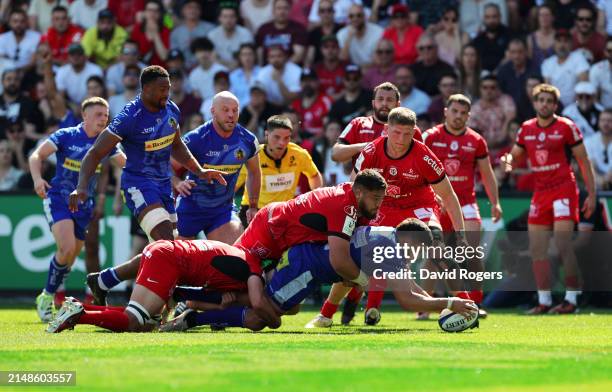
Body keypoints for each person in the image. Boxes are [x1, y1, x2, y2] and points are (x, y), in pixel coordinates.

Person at [71, 66, 226, 304]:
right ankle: (158, 301)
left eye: (169, 88)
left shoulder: (171, 110)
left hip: (164, 186)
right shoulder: (130, 117)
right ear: (146, 89)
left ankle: (104, 280)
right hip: (138, 185)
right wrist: (82, 187)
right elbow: (94, 153)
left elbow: (177, 147)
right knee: (166, 244)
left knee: (172, 250)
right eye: (162, 89)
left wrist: (200, 171)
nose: (167, 94)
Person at [164, 220, 479, 332]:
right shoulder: (391, 248)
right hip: (306, 267)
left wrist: (449, 302)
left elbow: (407, 285)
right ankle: (192, 312)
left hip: (309, 264)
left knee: (283, 308)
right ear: (410, 241)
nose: (415, 256)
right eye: (417, 250)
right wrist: (450, 302)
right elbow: (409, 299)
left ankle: (188, 298)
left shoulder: (388, 236)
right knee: (260, 317)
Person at [308, 107, 467, 327]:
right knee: (361, 256)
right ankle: (327, 314)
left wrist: (461, 235)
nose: (401, 140)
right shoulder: (371, 151)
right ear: (386, 129)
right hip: (384, 207)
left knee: (437, 247)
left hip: (419, 206)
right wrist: (351, 225)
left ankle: (468, 307)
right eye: (396, 133)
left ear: (414, 132)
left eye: (407, 133)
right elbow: (353, 191)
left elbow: (448, 196)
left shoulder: (423, 155)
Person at [502, 83, 596, 314]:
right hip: (541, 192)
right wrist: (506, 162)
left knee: (563, 243)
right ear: (534, 103)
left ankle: (571, 300)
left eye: (548, 101)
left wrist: (592, 195)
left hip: (564, 188)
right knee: (537, 249)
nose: (544, 104)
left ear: (555, 105)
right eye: (540, 100)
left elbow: (583, 160)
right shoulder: (526, 129)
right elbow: (514, 155)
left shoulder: (566, 127)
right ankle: (544, 301)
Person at [29, 97, 126, 322]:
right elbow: (37, 155)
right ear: (85, 116)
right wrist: (37, 179)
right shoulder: (66, 136)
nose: (104, 119)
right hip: (59, 200)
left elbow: (125, 162)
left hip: (84, 206)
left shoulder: (107, 142)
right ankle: (47, 296)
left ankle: (52, 292)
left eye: (106, 115)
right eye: (98, 115)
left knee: (70, 256)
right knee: (67, 247)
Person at [46, 240, 278, 333]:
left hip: (163, 253)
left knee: (147, 323)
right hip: (168, 260)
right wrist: (275, 322)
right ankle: (81, 315)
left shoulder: (238, 258)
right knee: (134, 321)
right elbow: (257, 303)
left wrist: (217, 307)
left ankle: (79, 306)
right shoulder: (253, 268)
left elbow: (187, 296)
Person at [423, 94, 502, 314]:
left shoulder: (476, 140)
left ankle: (475, 304)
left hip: (466, 202)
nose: (458, 116)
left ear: (469, 116)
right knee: (434, 256)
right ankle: (424, 305)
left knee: (472, 251)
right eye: (454, 111)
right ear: (445, 112)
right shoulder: (429, 136)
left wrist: (495, 203)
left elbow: (487, 174)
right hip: (437, 203)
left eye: (463, 113)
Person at [173, 91, 261, 244]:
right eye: (225, 110)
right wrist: (176, 182)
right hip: (190, 208)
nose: (231, 115)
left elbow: (254, 172)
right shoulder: (196, 138)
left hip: (222, 210)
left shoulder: (248, 140)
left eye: (235, 110)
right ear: (213, 111)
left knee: (234, 259)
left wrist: (253, 206)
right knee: (178, 264)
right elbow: (164, 164)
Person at [235, 115, 323, 228]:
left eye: (287, 138)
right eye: (276, 137)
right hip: (253, 211)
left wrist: (315, 199)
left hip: (284, 212)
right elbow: (234, 185)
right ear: (266, 134)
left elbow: (314, 176)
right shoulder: (253, 156)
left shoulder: (299, 154)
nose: (282, 142)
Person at [331, 82, 422, 165]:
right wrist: (364, 147)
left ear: (398, 104)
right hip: (362, 181)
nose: (384, 103)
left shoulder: (409, 129)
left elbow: (421, 161)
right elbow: (335, 154)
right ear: (373, 103)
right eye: (380, 99)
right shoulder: (358, 124)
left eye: (389, 100)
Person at [541, 29, 590, 108]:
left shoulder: (579, 58)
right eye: (559, 41)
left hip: (576, 107)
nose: (562, 45)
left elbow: (583, 85)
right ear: (554, 44)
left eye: (565, 41)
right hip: (555, 107)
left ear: (571, 44)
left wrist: (576, 106)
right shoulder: (547, 63)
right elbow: (547, 89)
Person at [255, 0, 308, 65]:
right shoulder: (263, 29)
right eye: (279, 8)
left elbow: (298, 55)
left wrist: (281, 68)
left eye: (285, 8)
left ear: (290, 10)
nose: (282, 12)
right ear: (273, 11)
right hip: (267, 68)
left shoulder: (298, 29)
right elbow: (259, 53)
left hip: (290, 68)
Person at [170, 0, 214, 69]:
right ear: (183, 10)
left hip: (206, 67)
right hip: (183, 71)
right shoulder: (176, 32)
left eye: (196, 8)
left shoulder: (210, 29)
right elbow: (174, 55)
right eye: (189, 7)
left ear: (200, 11)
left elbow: (213, 52)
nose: (193, 10)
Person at [207, 4, 254, 69]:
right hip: (218, 70)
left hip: (241, 69)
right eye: (225, 16)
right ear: (219, 18)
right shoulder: (212, 35)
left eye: (232, 16)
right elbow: (212, 58)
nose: (228, 20)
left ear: (236, 18)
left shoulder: (245, 33)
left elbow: (248, 57)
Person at [130, 0, 170, 67]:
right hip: (139, 68)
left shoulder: (165, 30)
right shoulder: (137, 28)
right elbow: (133, 52)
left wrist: (156, 34)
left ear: (160, 14)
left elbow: (164, 57)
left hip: (159, 70)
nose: (152, 13)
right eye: (149, 10)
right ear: (145, 12)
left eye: (156, 11)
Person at [527, 4, 556, 70]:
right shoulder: (531, 37)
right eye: (541, 15)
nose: (544, 18)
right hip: (536, 74)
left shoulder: (558, 36)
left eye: (547, 15)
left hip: (554, 73)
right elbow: (529, 60)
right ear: (538, 18)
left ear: (552, 18)